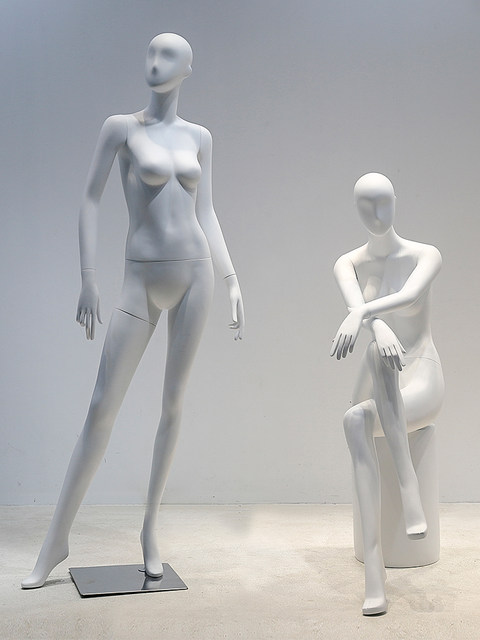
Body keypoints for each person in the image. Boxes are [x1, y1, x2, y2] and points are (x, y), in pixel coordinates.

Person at [22, 33, 244, 589]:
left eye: (168, 56)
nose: (154, 63)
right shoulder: (121, 128)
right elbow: (89, 198)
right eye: (150, 53)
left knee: (173, 404)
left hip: (194, 275)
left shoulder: (200, 136)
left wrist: (231, 277)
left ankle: (150, 531)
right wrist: (88, 278)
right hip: (140, 279)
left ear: (188, 68)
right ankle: (55, 542)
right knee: (102, 406)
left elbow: (207, 211)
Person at [330, 172, 444, 615]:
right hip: (377, 372)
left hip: (421, 373)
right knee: (376, 352)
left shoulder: (425, 254)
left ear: (396, 200)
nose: (376, 214)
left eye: (382, 202)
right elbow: (367, 315)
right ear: (355, 208)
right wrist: (373, 323)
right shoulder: (347, 263)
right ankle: (374, 570)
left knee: (355, 417)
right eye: (366, 205)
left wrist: (359, 313)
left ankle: (409, 485)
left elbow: (410, 293)